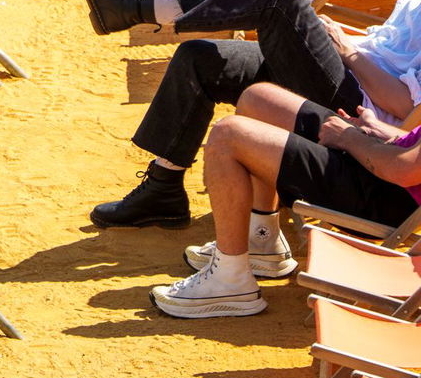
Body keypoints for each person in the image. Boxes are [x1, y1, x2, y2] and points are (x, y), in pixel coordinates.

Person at [76, 0, 421, 231]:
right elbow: (394, 51)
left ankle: (137, 7)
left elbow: (407, 108)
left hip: (358, 105)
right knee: (202, 59)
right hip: (350, 68)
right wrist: (337, 41)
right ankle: (162, 189)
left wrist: (346, 52)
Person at [149, 80, 421, 318]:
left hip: (387, 199)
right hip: (386, 166)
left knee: (227, 135)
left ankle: (230, 281)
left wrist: (350, 139)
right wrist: (386, 133)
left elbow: (404, 171)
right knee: (259, 98)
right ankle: (261, 238)